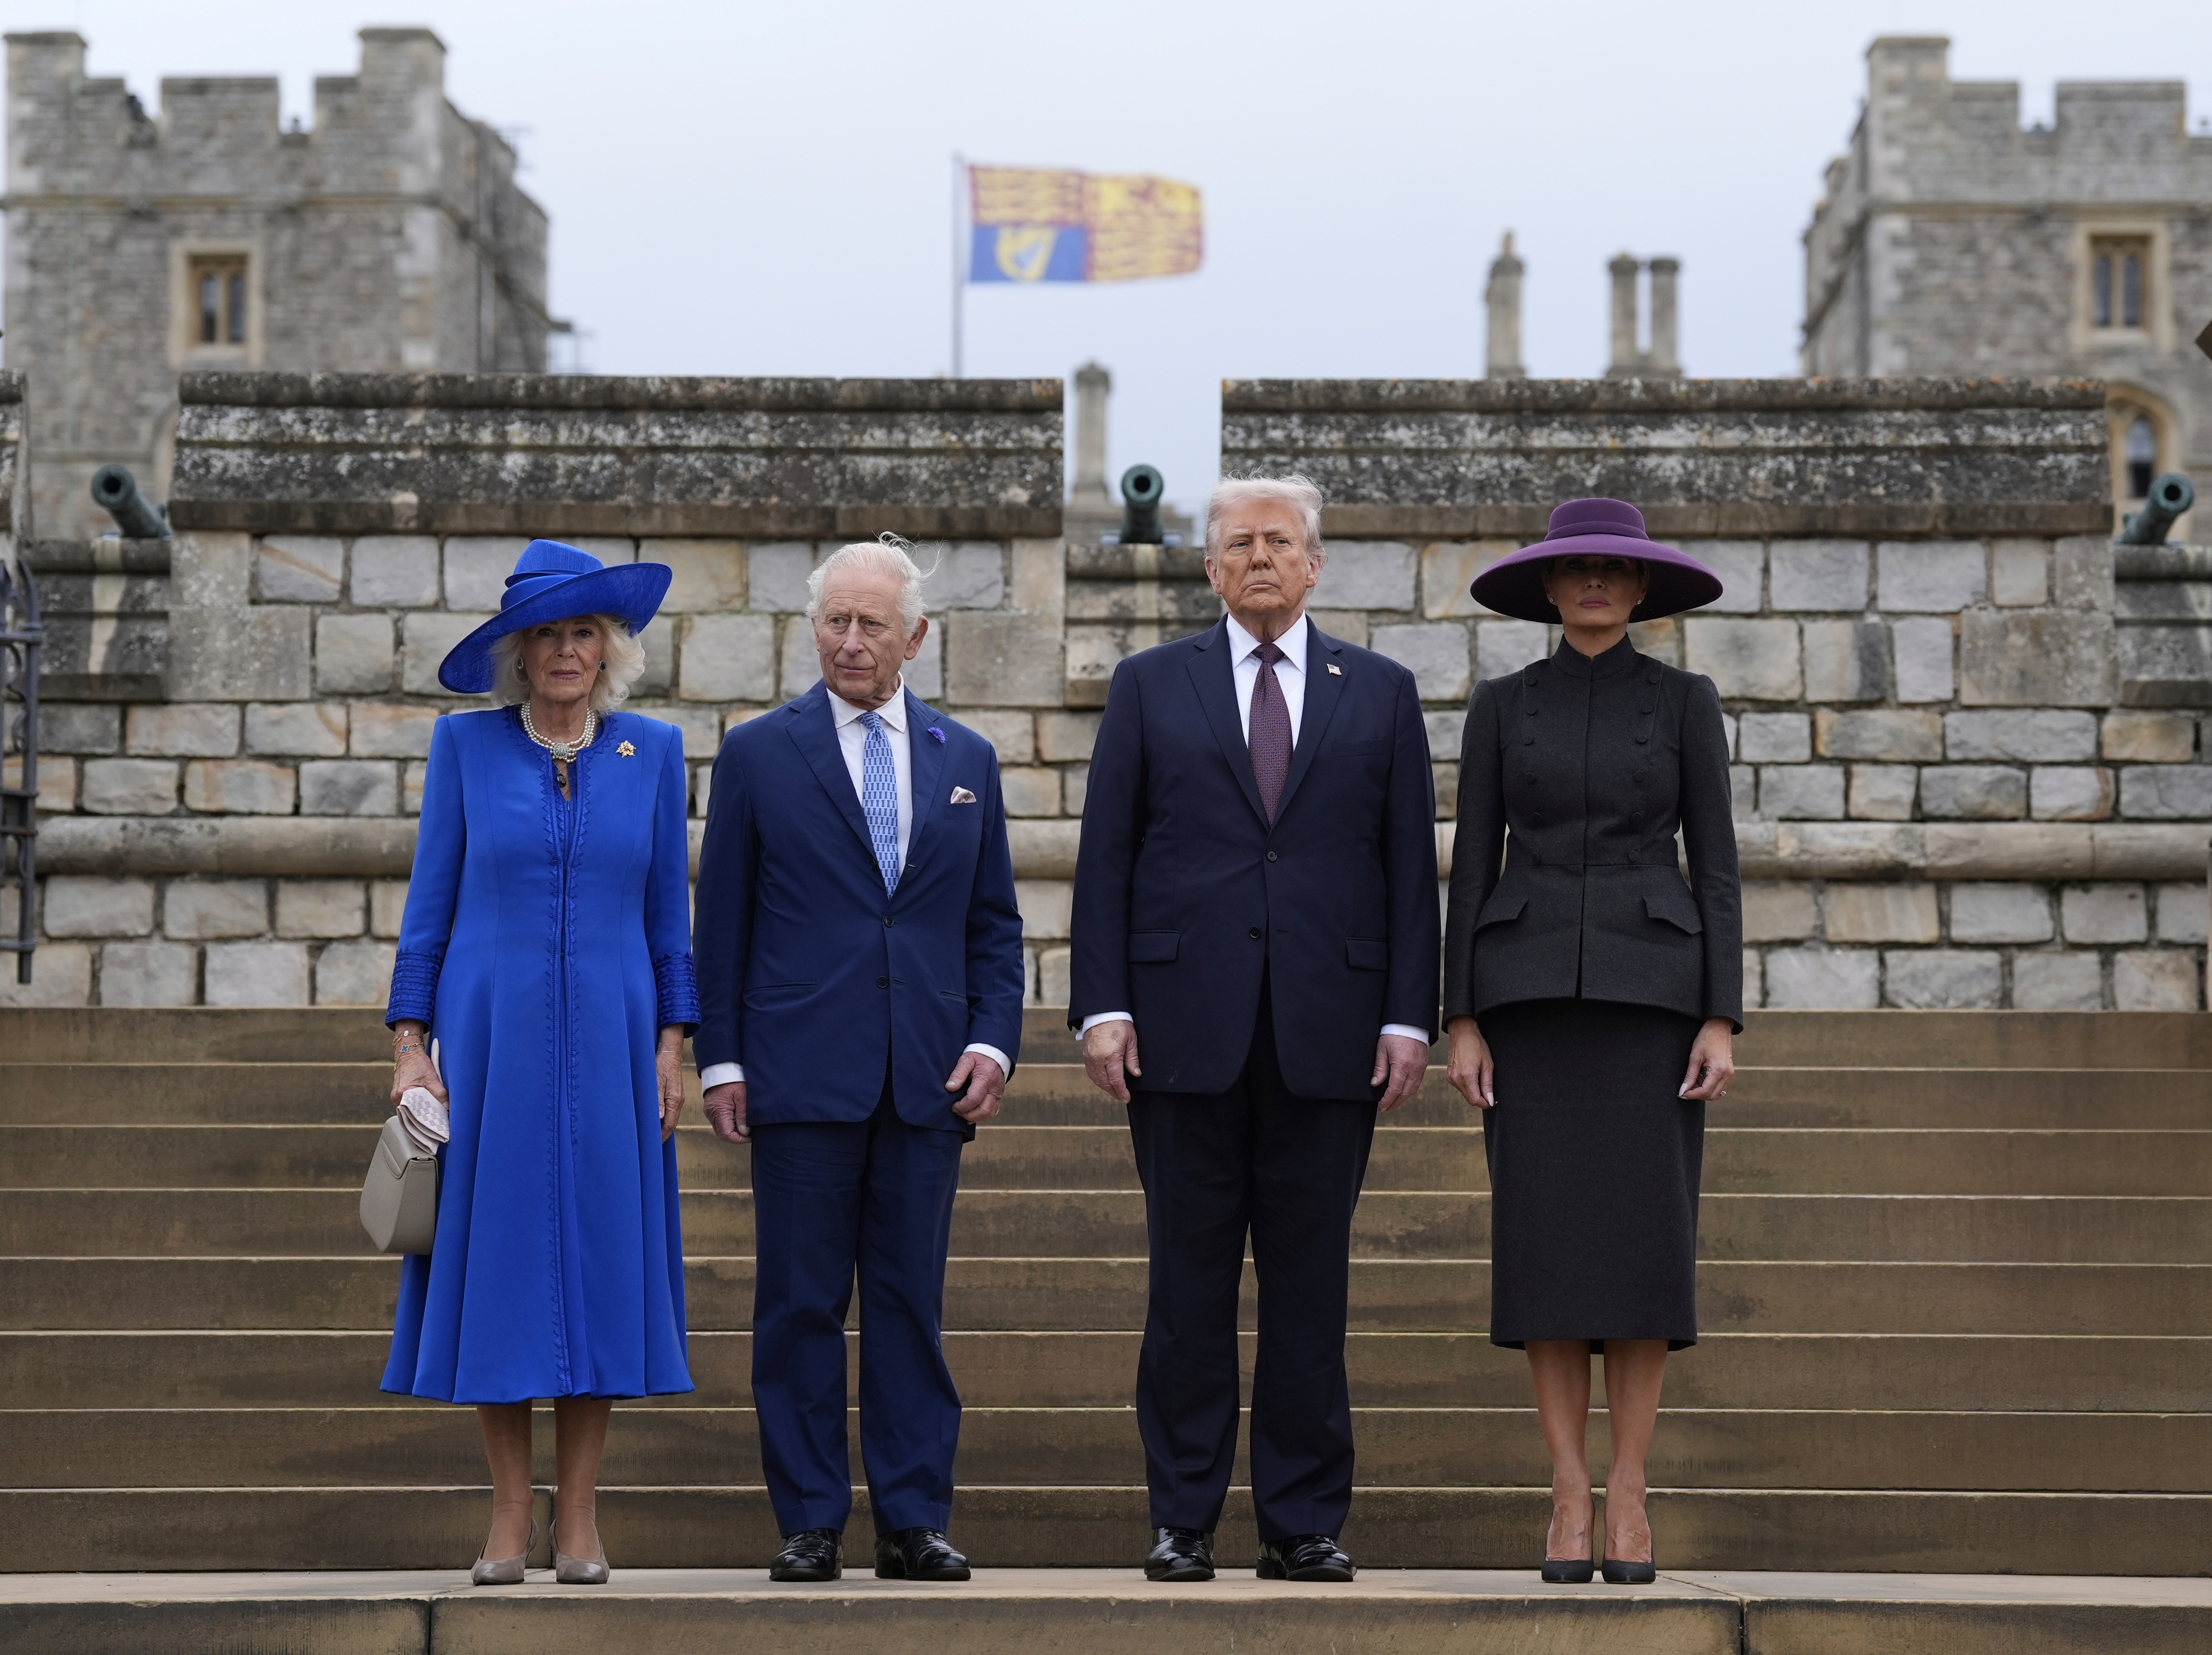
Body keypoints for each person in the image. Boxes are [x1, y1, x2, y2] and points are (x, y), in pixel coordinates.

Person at [1069, 473, 1439, 1584]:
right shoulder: (1149, 684)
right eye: (1240, 543)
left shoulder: (1379, 690)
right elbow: (1109, 858)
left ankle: (1301, 1520)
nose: (1261, 558)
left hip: (1330, 1033)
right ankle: (1182, 1516)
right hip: (1182, 1034)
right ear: (1209, 566)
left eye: (1281, 541)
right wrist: (1103, 1004)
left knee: (1309, 1292)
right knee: (1185, 1293)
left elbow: (1408, 868)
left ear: (1315, 562)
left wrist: (1407, 1015)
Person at [692, 535, 1025, 1585]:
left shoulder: (966, 760)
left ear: (913, 637)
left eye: (869, 622)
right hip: (798, 1070)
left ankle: (914, 1518)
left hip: (928, 1074)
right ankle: (809, 1520)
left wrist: (991, 1037)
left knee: (908, 1309)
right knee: (797, 1306)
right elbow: (723, 924)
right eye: (833, 620)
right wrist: (721, 1059)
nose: (848, 639)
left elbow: (994, 923)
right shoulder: (757, 752)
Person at [1441, 497, 1742, 1585]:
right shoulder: (1502, 705)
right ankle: (1566, 1490)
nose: (1597, 585)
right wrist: (1460, 1015)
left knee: (1642, 1252)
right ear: (1550, 588)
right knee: (1547, 1255)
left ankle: (1629, 1492)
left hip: (1652, 1003)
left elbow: (1714, 863)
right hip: (1524, 1004)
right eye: (1578, 571)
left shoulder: (1683, 702)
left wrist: (1720, 1010)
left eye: (1617, 570)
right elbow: (1471, 864)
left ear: (1644, 587)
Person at [383, 538, 694, 1587]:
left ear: (609, 649)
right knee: (505, 1262)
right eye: (548, 634)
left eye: (584, 633)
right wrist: (409, 1047)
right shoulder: (465, 749)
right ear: (518, 651)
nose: (567, 651)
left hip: (614, 1035)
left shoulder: (651, 751)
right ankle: (510, 1515)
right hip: (491, 1035)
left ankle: (582, 1522)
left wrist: (673, 1041)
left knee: (602, 1263)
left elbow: (669, 917)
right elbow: (430, 905)